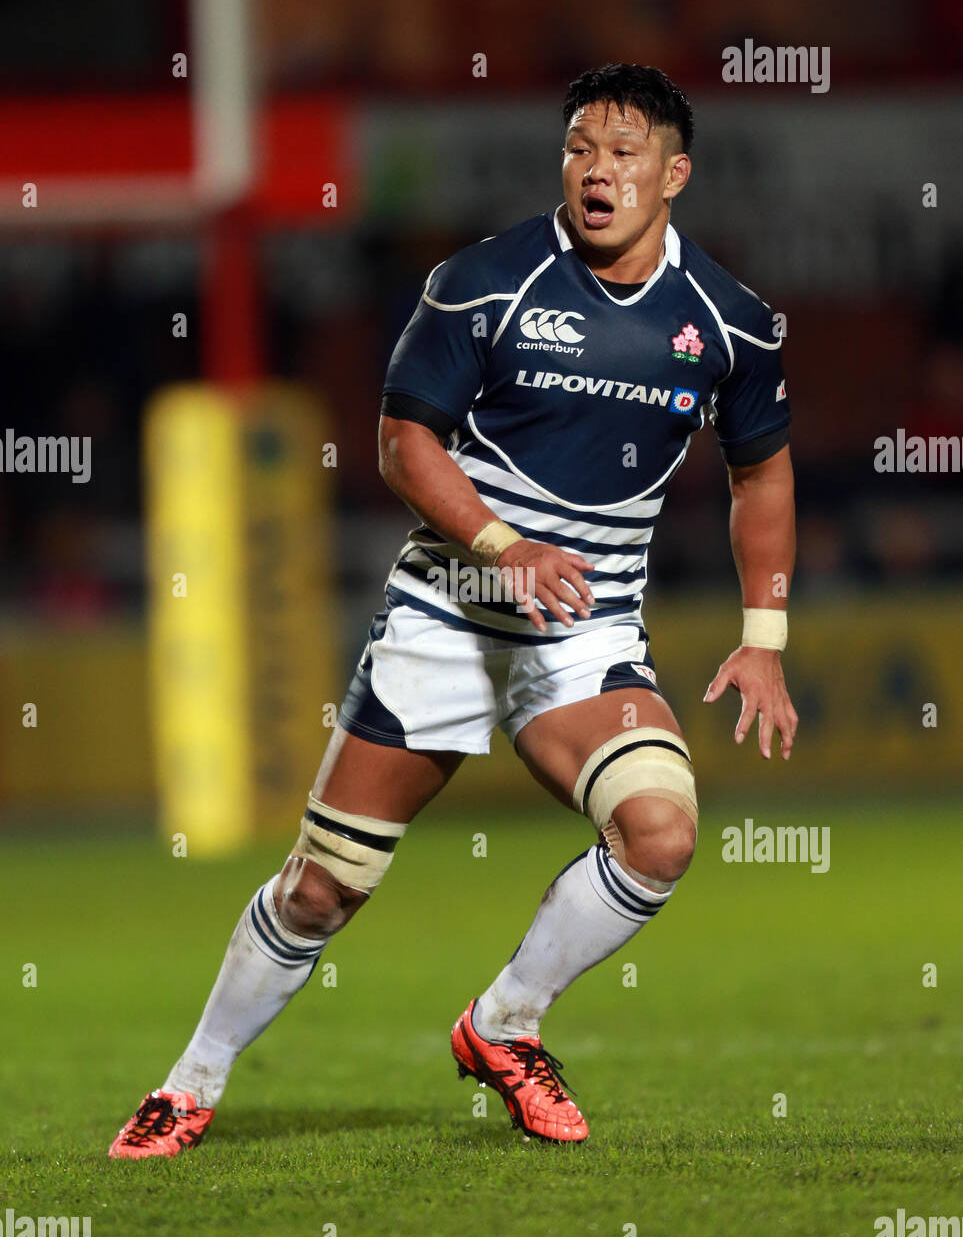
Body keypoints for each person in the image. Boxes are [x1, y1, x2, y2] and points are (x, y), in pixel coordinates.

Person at [110, 62, 797, 1157]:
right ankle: (190, 1082)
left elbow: (762, 474)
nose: (596, 169)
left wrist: (764, 640)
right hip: (450, 611)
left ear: (676, 173)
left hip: (585, 636)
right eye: (579, 147)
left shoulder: (731, 323)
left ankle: (504, 1025)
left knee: (661, 834)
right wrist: (499, 545)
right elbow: (403, 442)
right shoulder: (483, 282)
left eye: (623, 152)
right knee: (322, 891)